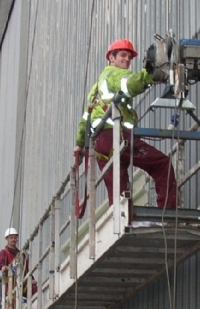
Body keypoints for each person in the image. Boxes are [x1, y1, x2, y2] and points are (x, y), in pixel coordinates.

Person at [73, 38, 177, 209]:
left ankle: (121, 217)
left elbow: (85, 119)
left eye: (129, 57)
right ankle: (169, 212)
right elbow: (131, 84)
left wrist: (78, 145)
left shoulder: (96, 88)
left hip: (100, 146)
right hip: (116, 137)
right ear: (111, 58)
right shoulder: (114, 74)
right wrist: (150, 73)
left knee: (118, 189)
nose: (127, 60)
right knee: (161, 164)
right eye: (122, 55)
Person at [0, 228, 37, 297]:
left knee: (34, 288)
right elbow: (0, 263)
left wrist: (32, 279)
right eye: (11, 238)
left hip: (22, 282)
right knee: (13, 299)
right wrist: (3, 267)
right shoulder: (4, 252)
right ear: (7, 239)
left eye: (15, 238)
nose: (13, 239)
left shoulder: (21, 254)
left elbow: (26, 269)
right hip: (11, 283)